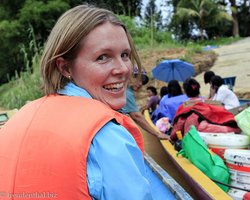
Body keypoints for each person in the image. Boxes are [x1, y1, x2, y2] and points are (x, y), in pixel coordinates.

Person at [0, 5, 155, 199]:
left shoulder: (17, 119)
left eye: (125, 55)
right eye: (103, 57)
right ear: (65, 68)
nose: (123, 69)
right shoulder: (106, 134)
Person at [121, 71, 170, 140]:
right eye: (138, 79)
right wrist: (158, 134)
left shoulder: (123, 90)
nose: (140, 84)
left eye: (143, 82)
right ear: (130, 77)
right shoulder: (127, 93)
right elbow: (136, 116)